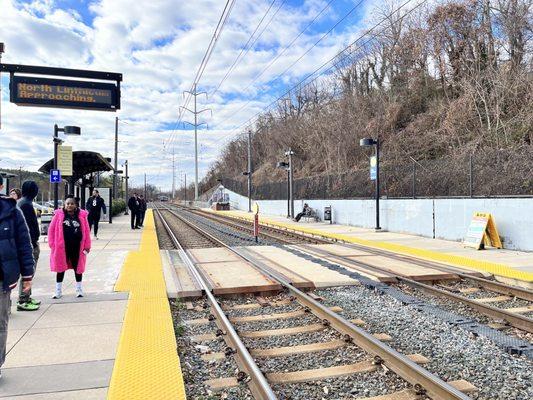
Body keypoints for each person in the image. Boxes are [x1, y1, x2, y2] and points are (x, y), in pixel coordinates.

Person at [0, 176, 34, 377]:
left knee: (0, 323)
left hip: (2, 279)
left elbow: (24, 244)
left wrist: (27, 275)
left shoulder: (13, 212)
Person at [48, 196, 91, 299]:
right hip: (62, 248)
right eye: (67, 203)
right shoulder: (58, 215)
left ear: (75, 205)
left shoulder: (82, 216)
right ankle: (58, 290)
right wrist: (52, 244)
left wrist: (87, 246)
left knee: (78, 268)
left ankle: (79, 289)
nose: (69, 205)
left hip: (77, 247)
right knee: (60, 268)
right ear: (64, 205)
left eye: (72, 203)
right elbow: (51, 230)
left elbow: (87, 232)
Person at [16, 181, 41, 311]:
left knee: (28, 272)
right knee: (28, 272)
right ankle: (23, 300)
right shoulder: (26, 204)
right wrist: (33, 241)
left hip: (28, 243)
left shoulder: (22, 202)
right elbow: (29, 227)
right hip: (30, 244)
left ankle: (27, 296)